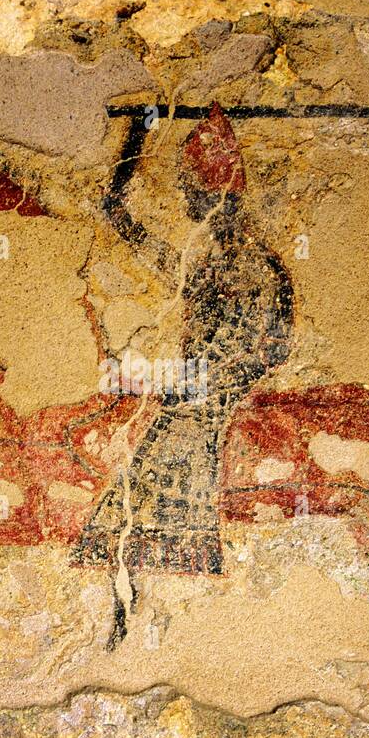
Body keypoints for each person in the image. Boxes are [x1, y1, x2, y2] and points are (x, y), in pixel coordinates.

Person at [73, 103, 294, 640]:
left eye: (193, 194)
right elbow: (158, 258)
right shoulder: (211, 256)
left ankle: (158, 576)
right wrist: (118, 206)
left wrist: (171, 380)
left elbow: (253, 349)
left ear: (216, 198)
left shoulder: (249, 264)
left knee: (168, 450)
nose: (188, 204)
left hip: (219, 391)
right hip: (200, 382)